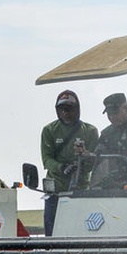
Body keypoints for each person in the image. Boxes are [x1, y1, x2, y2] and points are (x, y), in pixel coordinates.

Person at [40, 90, 99, 235]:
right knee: (52, 231)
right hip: (55, 190)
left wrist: (85, 156)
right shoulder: (49, 130)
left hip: (81, 189)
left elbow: (97, 161)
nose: (65, 113)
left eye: (69, 109)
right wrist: (62, 168)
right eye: (62, 109)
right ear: (57, 110)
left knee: (83, 229)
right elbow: (47, 160)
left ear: (77, 109)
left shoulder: (90, 131)